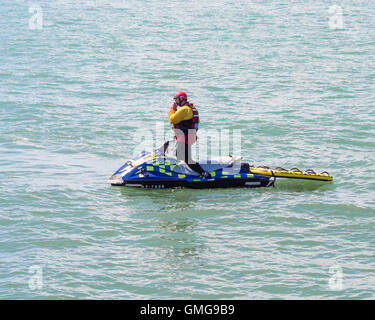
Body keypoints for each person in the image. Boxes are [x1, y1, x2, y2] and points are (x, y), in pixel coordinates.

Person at [168, 92, 211, 178]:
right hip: (187, 137)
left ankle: (204, 173)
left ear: (181, 99)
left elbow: (172, 119)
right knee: (180, 155)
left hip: (185, 137)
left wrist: (172, 109)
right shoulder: (188, 108)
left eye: (176, 99)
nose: (175, 102)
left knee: (187, 159)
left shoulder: (184, 109)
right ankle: (186, 171)